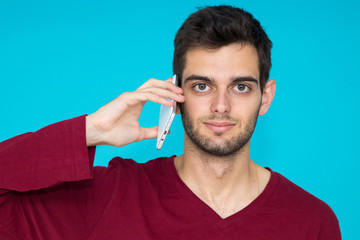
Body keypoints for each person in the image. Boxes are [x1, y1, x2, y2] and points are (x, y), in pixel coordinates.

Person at [0, 5, 341, 240]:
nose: (220, 106)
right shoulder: (107, 197)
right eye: (202, 86)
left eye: (240, 87)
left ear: (265, 97)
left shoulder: (312, 221)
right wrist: (91, 131)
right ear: (175, 94)